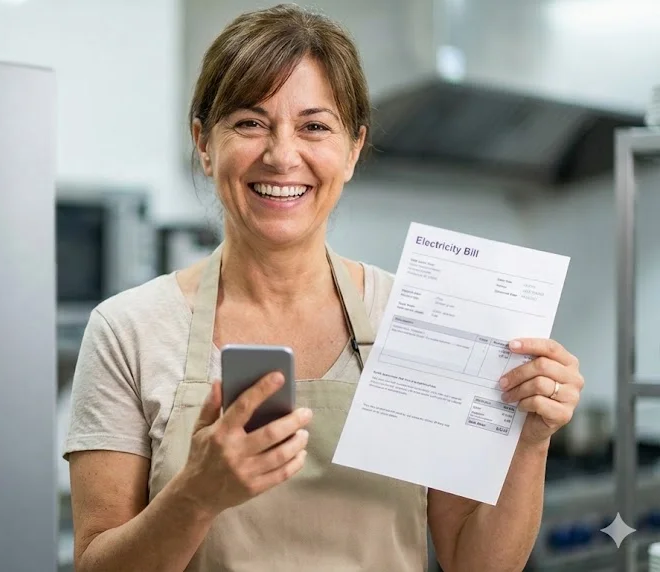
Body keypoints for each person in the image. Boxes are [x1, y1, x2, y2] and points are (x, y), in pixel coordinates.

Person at [63, 4, 585, 571]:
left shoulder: (410, 319)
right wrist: (196, 495)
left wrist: (530, 443)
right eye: (249, 122)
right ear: (204, 143)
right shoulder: (128, 331)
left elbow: (476, 563)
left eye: (314, 126)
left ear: (353, 150)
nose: (282, 155)